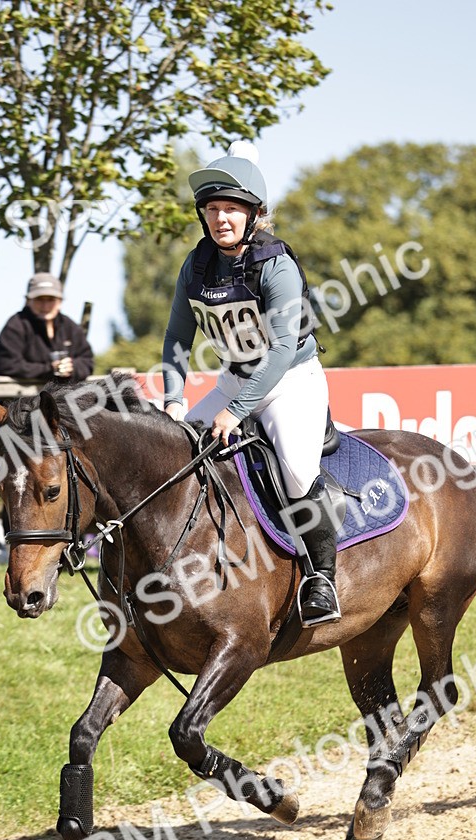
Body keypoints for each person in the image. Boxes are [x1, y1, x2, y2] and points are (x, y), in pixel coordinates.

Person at [161, 142, 339, 626]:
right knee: (172, 459)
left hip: (291, 381)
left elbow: (281, 349)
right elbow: (177, 337)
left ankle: (322, 576)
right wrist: (174, 401)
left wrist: (236, 412)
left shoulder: (275, 264)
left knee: (298, 472)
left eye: (231, 210)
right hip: (235, 378)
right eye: (212, 209)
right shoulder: (195, 266)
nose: (220, 219)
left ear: (252, 215)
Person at [0, 272, 94, 383]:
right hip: (19, 398)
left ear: (60, 302)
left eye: (51, 299)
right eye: (40, 299)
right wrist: (49, 369)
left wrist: (72, 368)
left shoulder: (70, 326)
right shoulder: (16, 325)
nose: (45, 305)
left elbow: (87, 361)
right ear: (28, 301)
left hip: (61, 398)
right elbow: (6, 365)